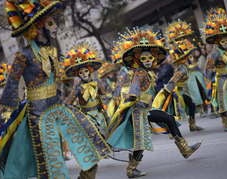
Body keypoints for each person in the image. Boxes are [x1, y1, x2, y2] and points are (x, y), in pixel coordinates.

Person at [0, 1, 111, 178]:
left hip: (59, 107)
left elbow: (60, 80)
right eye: (50, 23)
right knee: (52, 165)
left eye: (54, 22)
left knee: (91, 151)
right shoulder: (22, 56)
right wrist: (1, 114)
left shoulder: (51, 50)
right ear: (37, 27)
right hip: (38, 115)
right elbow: (11, 85)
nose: (55, 26)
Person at [107, 28, 201, 178]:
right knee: (141, 142)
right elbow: (135, 87)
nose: (148, 61)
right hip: (138, 111)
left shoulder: (148, 72)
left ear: (154, 58)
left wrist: (175, 79)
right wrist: (133, 94)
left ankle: (185, 149)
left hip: (145, 110)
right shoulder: (140, 72)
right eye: (144, 59)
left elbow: (157, 90)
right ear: (138, 60)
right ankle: (131, 169)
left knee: (168, 120)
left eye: (150, 58)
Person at [165, 20, 205, 131]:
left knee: (191, 105)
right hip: (177, 90)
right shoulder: (178, 64)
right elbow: (173, 75)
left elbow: (194, 54)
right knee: (174, 110)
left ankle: (192, 125)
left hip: (183, 88)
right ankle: (170, 131)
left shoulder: (183, 59)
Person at [64, 42, 109, 137]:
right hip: (87, 117)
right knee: (93, 135)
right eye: (81, 73)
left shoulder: (96, 83)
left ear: (90, 71)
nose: (84, 74)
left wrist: (104, 106)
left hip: (99, 115)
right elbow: (68, 103)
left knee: (104, 135)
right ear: (77, 74)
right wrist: (74, 88)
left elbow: (103, 95)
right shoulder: (78, 87)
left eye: (86, 71)